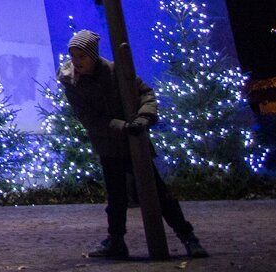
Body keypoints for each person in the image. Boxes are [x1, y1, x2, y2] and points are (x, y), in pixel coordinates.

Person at [59, 30, 208, 261]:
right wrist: (123, 126)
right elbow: (89, 118)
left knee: (158, 193)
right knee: (116, 197)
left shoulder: (115, 72)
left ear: (93, 55)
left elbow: (146, 93)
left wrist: (144, 118)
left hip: (133, 141)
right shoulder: (72, 81)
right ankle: (116, 240)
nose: (76, 62)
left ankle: (188, 237)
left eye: (81, 56)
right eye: (73, 56)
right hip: (110, 143)